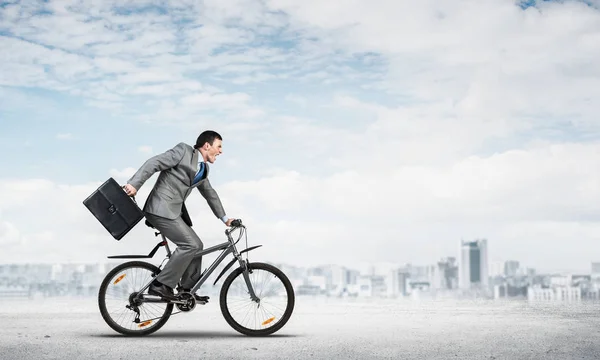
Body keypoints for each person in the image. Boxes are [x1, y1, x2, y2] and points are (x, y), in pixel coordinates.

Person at [122, 130, 235, 301]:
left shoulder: (203, 169)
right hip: (160, 208)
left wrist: (225, 219)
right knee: (190, 244)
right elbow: (154, 162)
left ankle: (186, 290)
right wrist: (134, 184)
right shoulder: (183, 151)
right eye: (219, 146)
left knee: (197, 245)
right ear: (207, 145)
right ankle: (160, 285)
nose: (221, 151)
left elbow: (210, 194)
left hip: (173, 212)